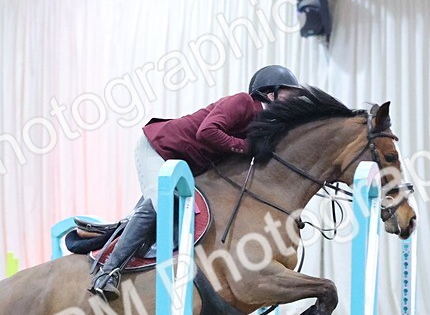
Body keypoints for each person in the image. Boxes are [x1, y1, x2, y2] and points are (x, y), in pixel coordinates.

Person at [88, 65, 303, 302]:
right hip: (160, 149)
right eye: (289, 93)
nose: (293, 99)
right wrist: (246, 147)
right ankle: (107, 273)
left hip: (188, 165)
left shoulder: (265, 123)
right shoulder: (242, 102)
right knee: (164, 203)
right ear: (268, 92)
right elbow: (207, 132)